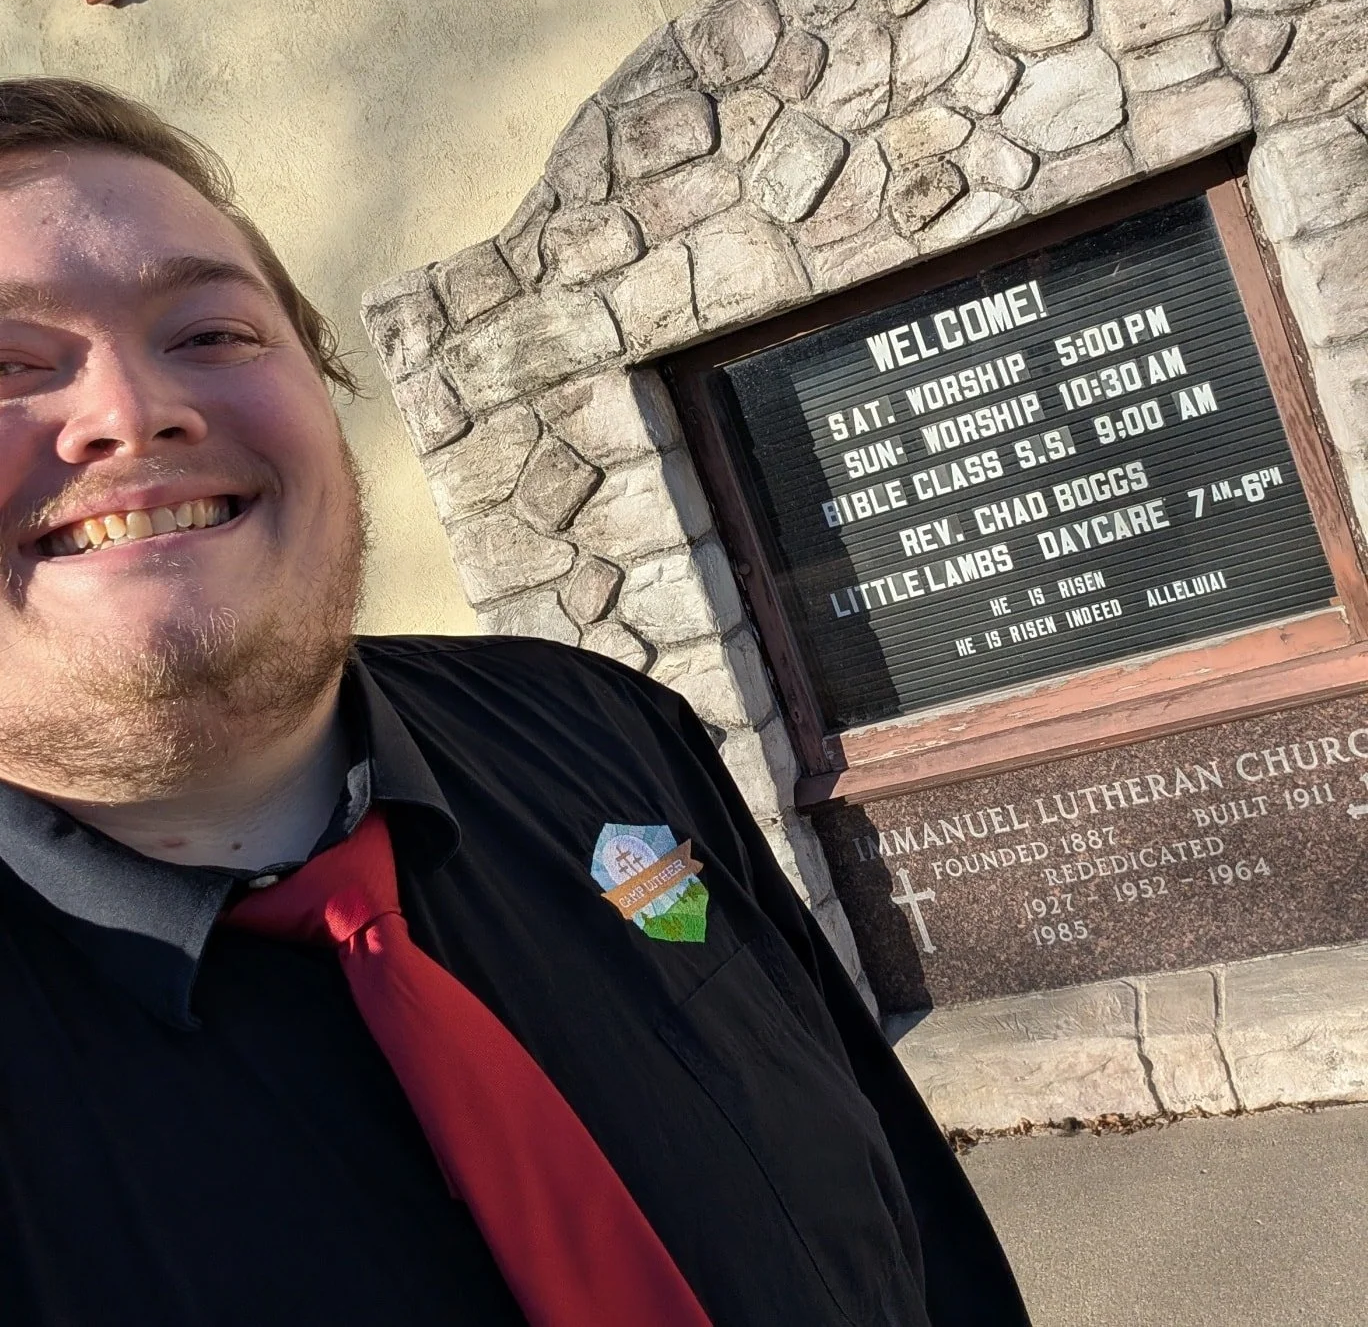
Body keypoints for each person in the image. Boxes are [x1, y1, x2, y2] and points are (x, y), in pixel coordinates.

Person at [0, 76, 1029, 1327]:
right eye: (5, 363)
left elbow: (911, 1210)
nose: (133, 412)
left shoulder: (606, 733)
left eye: (212, 333)